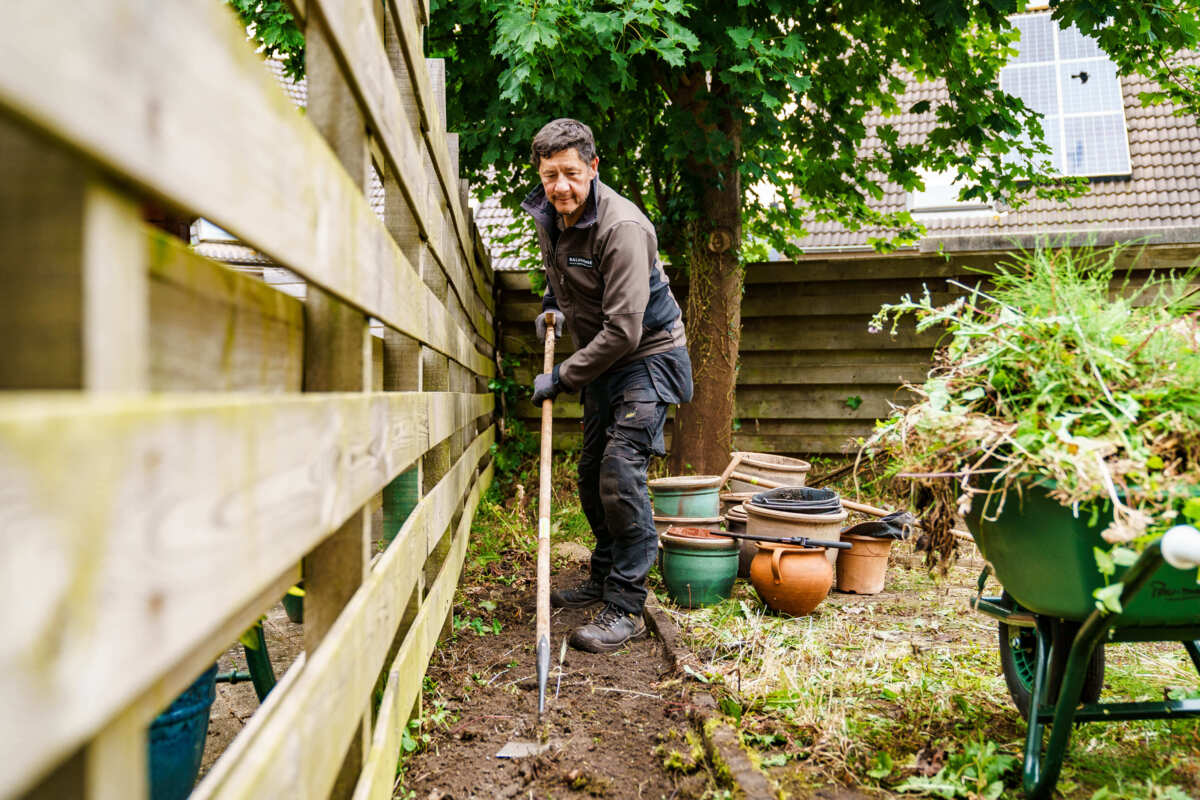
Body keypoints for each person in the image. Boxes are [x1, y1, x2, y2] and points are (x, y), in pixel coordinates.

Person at [522, 118, 693, 653]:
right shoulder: (553, 215)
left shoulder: (622, 228)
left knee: (620, 473)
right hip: (606, 360)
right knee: (592, 472)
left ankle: (627, 605)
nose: (561, 187)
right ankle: (602, 575)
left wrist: (560, 377)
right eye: (551, 175)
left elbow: (625, 329)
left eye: (571, 173)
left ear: (593, 168)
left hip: (647, 356)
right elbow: (562, 278)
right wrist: (552, 309)